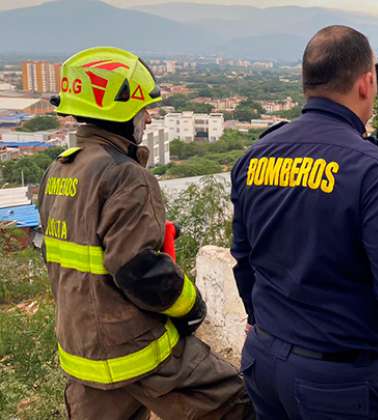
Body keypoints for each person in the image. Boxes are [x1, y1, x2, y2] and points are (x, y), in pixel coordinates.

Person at [230, 26, 378, 420]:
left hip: (263, 363)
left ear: (307, 82)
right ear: (367, 82)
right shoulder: (375, 170)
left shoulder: (254, 157)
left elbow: (243, 259)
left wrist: (261, 323)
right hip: (337, 383)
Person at [39, 47, 253, 420]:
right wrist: (191, 306)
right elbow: (138, 270)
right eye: (143, 109)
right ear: (118, 111)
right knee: (234, 402)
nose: (149, 117)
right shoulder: (125, 175)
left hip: (82, 354)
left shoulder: (58, 173)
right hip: (134, 350)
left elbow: (74, 252)